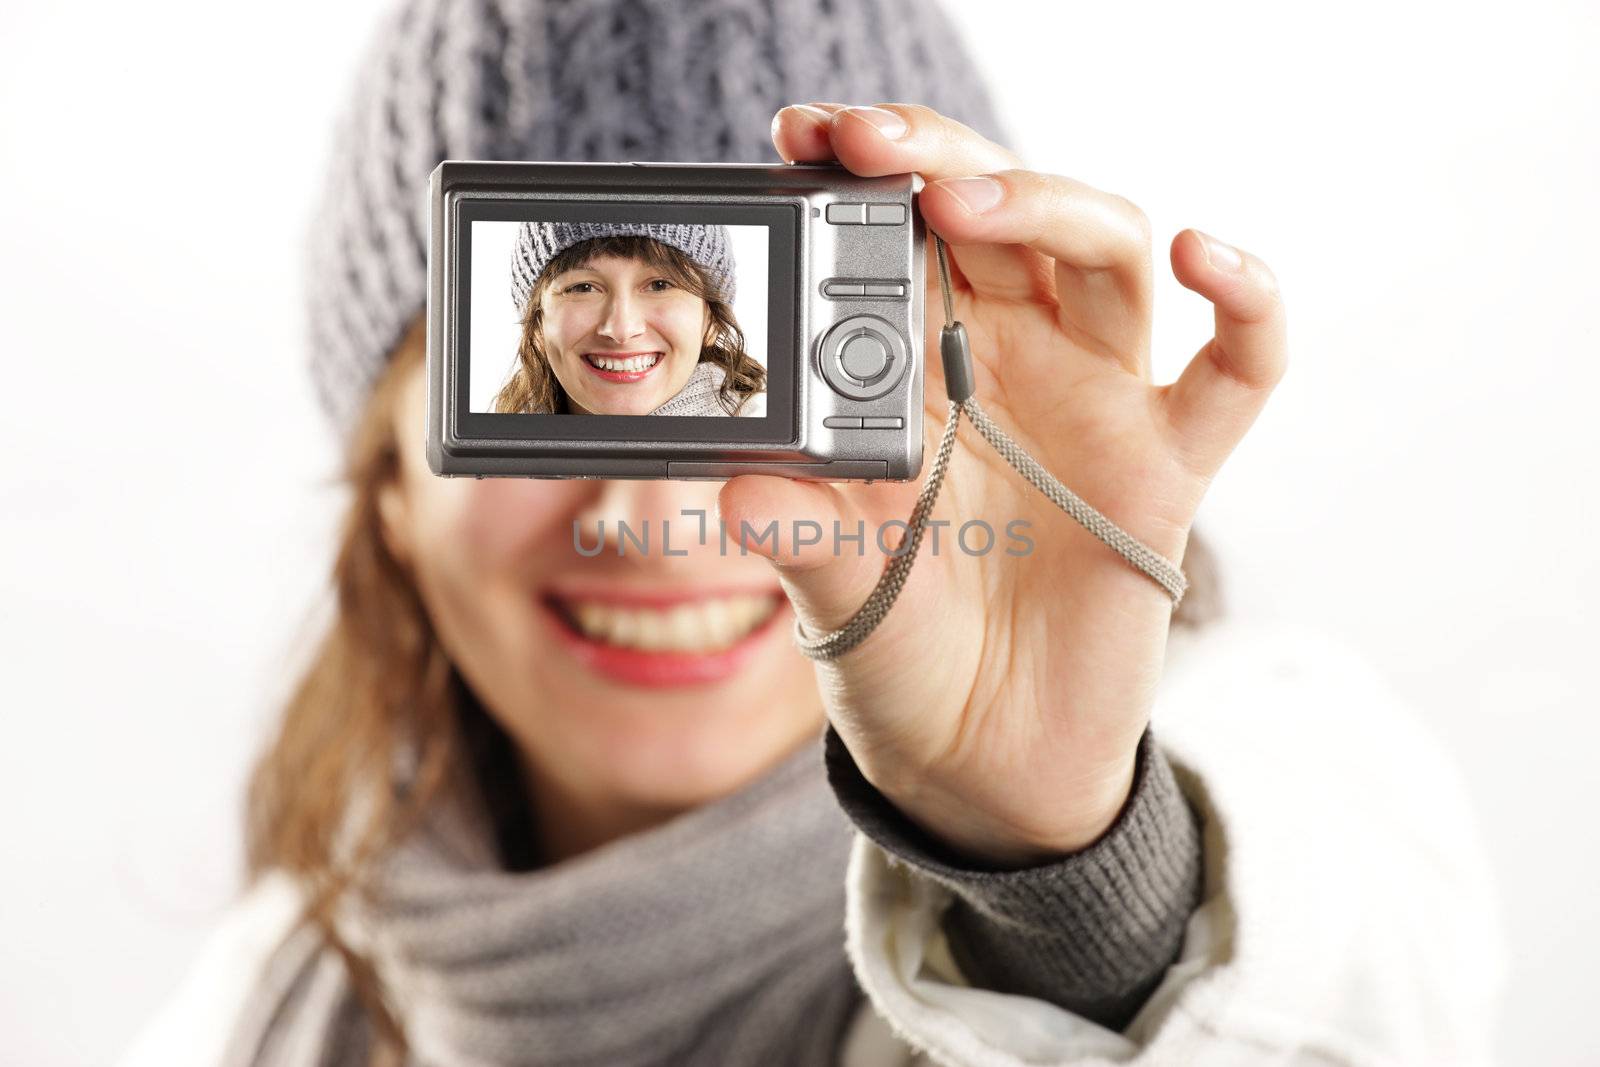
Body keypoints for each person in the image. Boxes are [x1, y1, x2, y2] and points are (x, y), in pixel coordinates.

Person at [119, 0, 1503, 1064]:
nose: (657, 519)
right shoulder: (258, 1003)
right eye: (545, 384)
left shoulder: (1279, 781)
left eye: (760, 364)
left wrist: (1075, 872)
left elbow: (1339, 975)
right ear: (384, 483)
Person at [494, 222, 767, 417]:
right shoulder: (482, 470)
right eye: (583, 288)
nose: (621, 330)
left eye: (660, 285)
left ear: (711, 319)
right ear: (537, 325)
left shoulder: (775, 462)